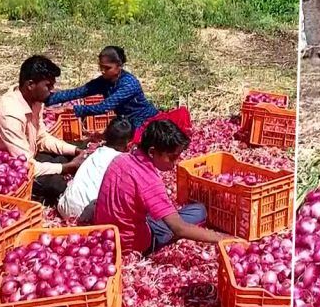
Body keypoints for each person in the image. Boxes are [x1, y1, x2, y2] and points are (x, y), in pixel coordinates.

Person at [93, 120, 230, 254]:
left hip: (108, 237)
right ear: (152, 152)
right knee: (199, 211)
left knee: (164, 215)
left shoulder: (120, 160)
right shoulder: (148, 180)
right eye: (172, 157)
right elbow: (179, 229)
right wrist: (224, 239)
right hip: (133, 244)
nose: (175, 163)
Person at [0, 55, 86, 206]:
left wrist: (75, 151)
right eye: (48, 86)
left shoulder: (35, 101)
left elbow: (41, 138)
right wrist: (66, 168)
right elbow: (26, 165)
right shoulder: (10, 113)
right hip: (5, 169)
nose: (51, 91)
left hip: (27, 154)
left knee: (71, 153)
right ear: (30, 85)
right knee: (57, 185)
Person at [44, 46, 192, 144]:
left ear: (119, 66)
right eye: (101, 68)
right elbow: (81, 91)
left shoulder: (129, 83)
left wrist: (76, 110)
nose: (102, 71)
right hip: (127, 122)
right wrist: (48, 99)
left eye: (107, 68)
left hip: (145, 121)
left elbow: (105, 107)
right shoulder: (104, 81)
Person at [57, 119, 133, 223]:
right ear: (128, 144)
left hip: (64, 207)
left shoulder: (95, 153)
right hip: (88, 214)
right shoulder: (122, 161)